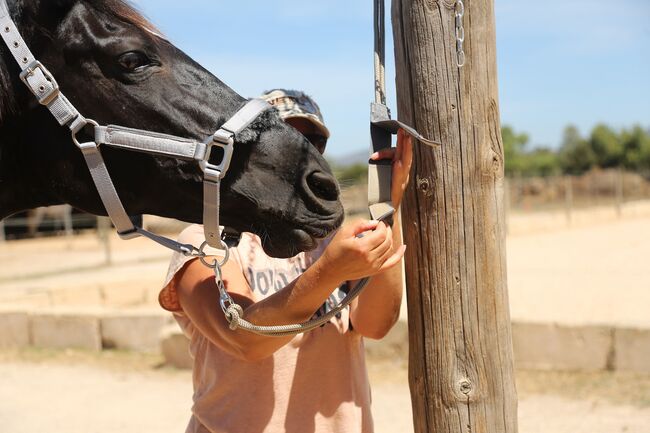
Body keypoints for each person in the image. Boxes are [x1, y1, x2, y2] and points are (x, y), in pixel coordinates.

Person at [159, 89, 413, 433]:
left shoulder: (331, 240)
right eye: (282, 139)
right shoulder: (206, 242)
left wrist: (388, 206)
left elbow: (375, 324)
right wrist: (331, 271)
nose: (298, 154)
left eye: (310, 143)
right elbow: (244, 340)